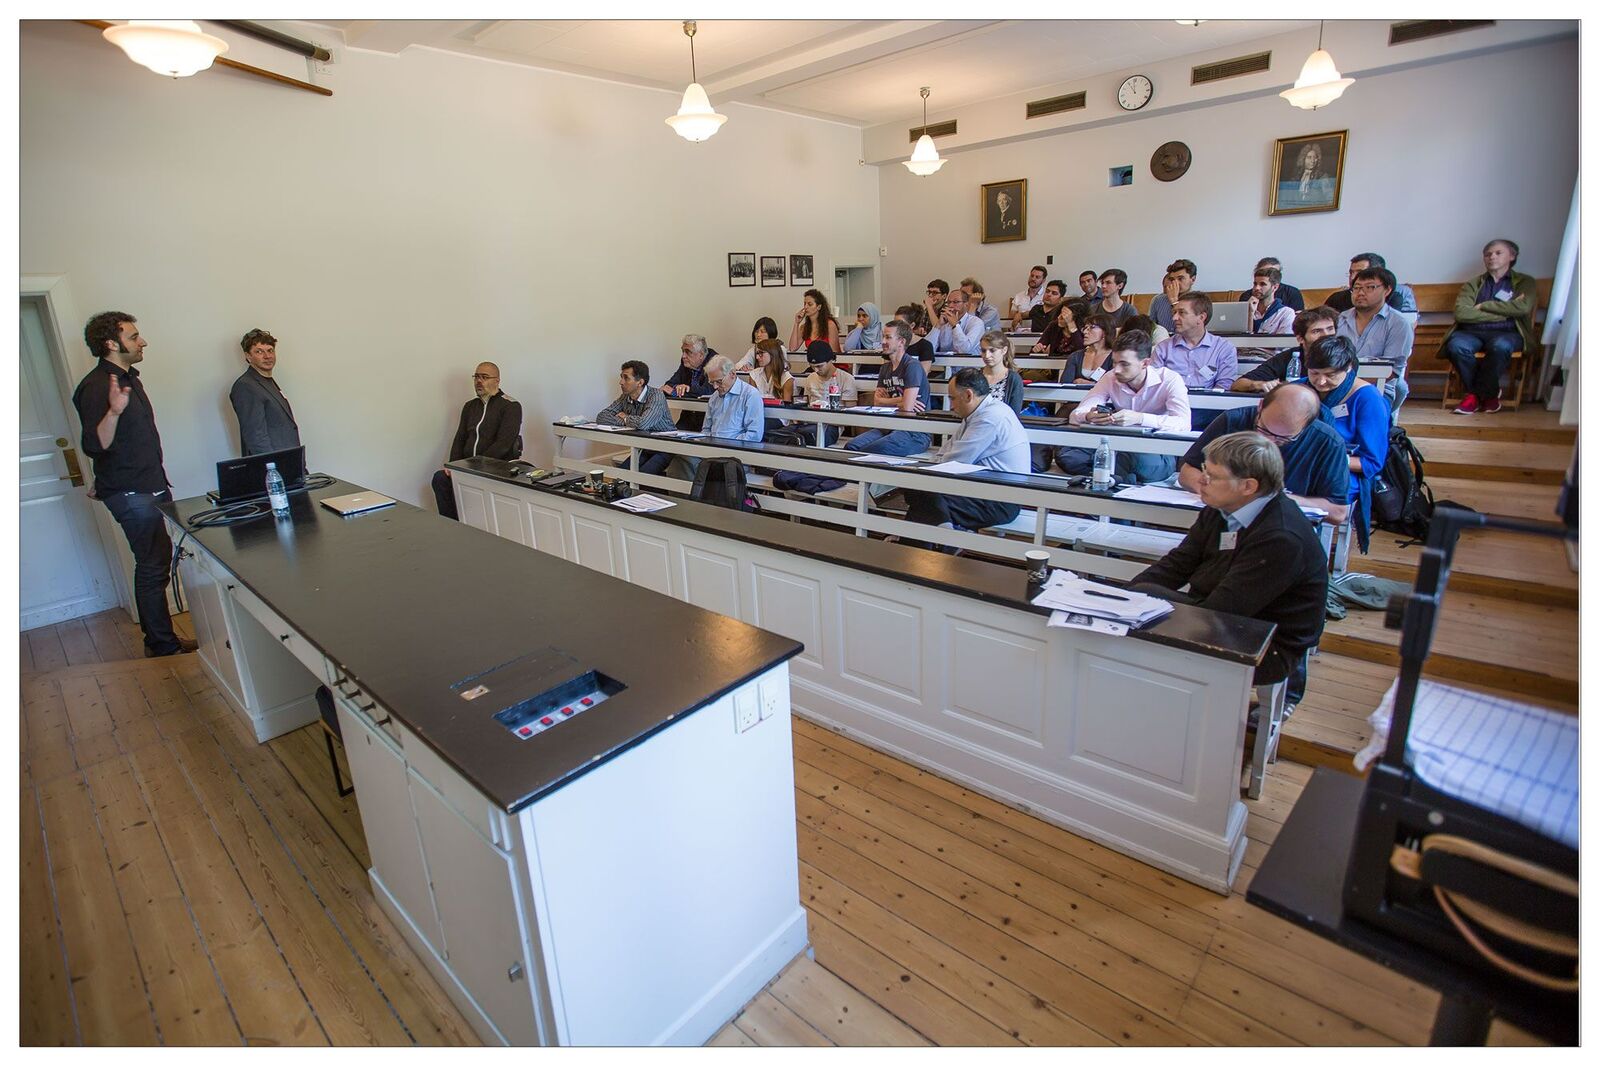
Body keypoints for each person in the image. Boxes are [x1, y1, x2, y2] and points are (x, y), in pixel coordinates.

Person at [1132, 432, 1328, 694]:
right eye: (1204, 470)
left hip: (1266, 643)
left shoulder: (1281, 538)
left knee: (1140, 634)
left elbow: (1223, 611)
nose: (1202, 480)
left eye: (1213, 476)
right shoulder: (1222, 506)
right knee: (1138, 602)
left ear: (1248, 486)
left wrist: (1140, 600)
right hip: (1222, 615)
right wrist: (1125, 599)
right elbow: (1178, 564)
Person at [72, 311, 195, 657]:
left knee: (157, 560)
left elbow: (124, 442)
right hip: (133, 491)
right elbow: (95, 444)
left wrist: (102, 477)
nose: (143, 342)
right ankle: (161, 644)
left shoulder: (128, 378)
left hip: (146, 483)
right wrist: (113, 412)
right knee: (153, 564)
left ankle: (161, 639)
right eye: (134, 336)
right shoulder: (98, 386)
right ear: (111, 343)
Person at [1177, 383, 1350, 523]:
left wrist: (1274, 499)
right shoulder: (1232, 420)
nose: (1270, 441)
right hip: (1224, 514)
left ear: (1306, 425)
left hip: (1285, 523)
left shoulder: (1328, 442)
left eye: (1283, 438)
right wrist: (1219, 493)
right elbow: (1187, 472)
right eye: (1264, 430)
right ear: (1260, 406)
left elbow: (1338, 511)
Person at [901, 368, 1030, 546]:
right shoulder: (978, 413)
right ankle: (942, 539)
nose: (951, 405)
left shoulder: (990, 417)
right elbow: (946, 451)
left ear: (968, 395)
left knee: (922, 495)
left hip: (999, 501)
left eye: (952, 398)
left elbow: (955, 462)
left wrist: (922, 474)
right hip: (982, 490)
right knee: (920, 492)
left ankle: (938, 543)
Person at [1058, 329, 1189, 483]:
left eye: (1124, 364)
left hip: (1154, 449)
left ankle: (1113, 474)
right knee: (1066, 456)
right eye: (1114, 362)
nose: (1117, 370)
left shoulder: (1170, 379)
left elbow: (1183, 424)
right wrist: (1088, 416)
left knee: (1139, 462)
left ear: (1145, 363)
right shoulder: (1110, 377)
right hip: (1116, 443)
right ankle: (1120, 476)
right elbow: (1077, 413)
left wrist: (1140, 418)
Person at [1305, 335, 1388, 553]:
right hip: (1303, 463)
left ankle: (1307, 553)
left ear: (1349, 367)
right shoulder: (1302, 389)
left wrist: (1328, 459)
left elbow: (1371, 462)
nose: (1321, 382)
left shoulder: (1367, 398)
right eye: (1314, 373)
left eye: (1330, 375)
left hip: (1342, 470)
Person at [1443, 238, 1538, 414]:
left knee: (1500, 346)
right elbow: (1462, 313)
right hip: (1471, 332)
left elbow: (1522, 308)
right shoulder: (1473, 284)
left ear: (1512, 256)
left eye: (1498, 253)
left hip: (1507, 332)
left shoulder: (1525, 282)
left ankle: (1474, 396)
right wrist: (1504, 313)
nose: (1492, 257)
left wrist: (1483, 306)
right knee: (1456, 346)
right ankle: (1489, 395)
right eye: (1488, 254)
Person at [432, 362, 522, 520]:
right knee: (440, 479)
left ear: (497, 381)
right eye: (476, 377)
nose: (479, 381)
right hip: (468, 468)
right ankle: (453, 525)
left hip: (496, 468)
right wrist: (453, 466)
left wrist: (475, 466)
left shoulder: (510, 406)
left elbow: (503, 444)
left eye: (485, 377)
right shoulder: (470, 406)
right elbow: (460, 438)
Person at [844, 321, 932, 457]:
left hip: (914, 432)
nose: (883, 341)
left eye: (888, 337)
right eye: (883, 337)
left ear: (901, 342)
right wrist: (901, 400)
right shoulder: (885, 368)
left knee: (871, 450)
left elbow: (907, 408)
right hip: (888, 426)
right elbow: (877, 403)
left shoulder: (912, 366)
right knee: (851, 446)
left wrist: (890, 401)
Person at [671, 354, 763, 483]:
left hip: (736, 455)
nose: (714, 387)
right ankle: (691, 494)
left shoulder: (750, 395)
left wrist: (725, 445)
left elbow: (754, 435)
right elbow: (706, 430)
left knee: (692, 466)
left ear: (732, 374)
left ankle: (698, 493)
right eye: (711, 382)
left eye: (719, 381)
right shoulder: (714, 397)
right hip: (712, 451)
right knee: (680, 458)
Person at [1336, 266, 1414, 413]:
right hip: (1336, 386)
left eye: (1370, 287)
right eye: (1357, 288)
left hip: (1378, 390)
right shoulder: (1340, 319)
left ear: (1387, 290)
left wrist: (1347, 383)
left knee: (1363, 409)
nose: (1360, 293)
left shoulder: (1399, 324)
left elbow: (1391, 372)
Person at [1152, 293, 1239, 417]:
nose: (1174, 318)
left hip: (1208, 410)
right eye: (1174, 312)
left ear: (1201, 317)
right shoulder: (1163, 348)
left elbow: (1224, 386)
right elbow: (1154, 383)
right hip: (1169, 410)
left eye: (1182, 313)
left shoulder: (1223, 348)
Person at [228, 328, 300, 456]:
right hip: (273, 464)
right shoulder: (246, 386)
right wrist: (274, 465)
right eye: (259, 351)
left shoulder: (267, 382)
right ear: (248, 356)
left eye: (270, 350)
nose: (267, 356)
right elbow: (256, 435)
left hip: (288, 458)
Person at [1233, 306, 1339, 393]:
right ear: (1300, 338)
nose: (1326, 335)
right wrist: (1260, 385)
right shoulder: (1289, 358)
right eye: (1317, 331)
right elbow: (1239, 384)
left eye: (1330, 329)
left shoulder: (1343, 355)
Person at [596, 359, 675, 475]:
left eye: (626, 378)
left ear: (640, 382)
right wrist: (625, 420)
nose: (621, 382)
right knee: (621, 475)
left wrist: (626, 418)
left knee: (642, 475)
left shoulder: (656, 396)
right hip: (644, 446)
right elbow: (602, 417)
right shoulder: (625, 397)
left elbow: (644, 423)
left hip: (666, 446)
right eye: (621, 377)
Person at [797, 340, 858, 446]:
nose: (816, 370)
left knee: (807, 436)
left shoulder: (846, 378)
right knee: (785, 434)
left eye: (819, 366)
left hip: (832, 425)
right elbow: (806, 403)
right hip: (810, 422)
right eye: (812, 366)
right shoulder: (810, 378)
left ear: (831, 360)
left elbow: (851, 413)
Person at [1326, 252, 1408, 314]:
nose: (1353, 277)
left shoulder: (1392, 297)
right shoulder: (1336, 299)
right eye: (1351, 273)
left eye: (1359, 272)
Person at [1060, 312, 1118, 384]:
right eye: (1085, 328)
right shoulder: (1075, 356)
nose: (1085, 332)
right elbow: (1065, 384)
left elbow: (1114, 385)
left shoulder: (1115, 357)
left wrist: (1086, 383)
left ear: (1105, 331)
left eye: (1092, 327)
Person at [927, 286, 985, 355]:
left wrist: (955, 325)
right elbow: (927, 349)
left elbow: (964, 350)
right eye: (949, 302)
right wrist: (938, 325)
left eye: (956, 302)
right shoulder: (944, 323)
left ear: (966, 304)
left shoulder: (976, 322)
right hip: (944, 361)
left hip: (969, 362)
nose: (951, 305)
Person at [977, 330, 1025, 412]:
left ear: (1004, 350)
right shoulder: (975, 376)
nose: (987, 356)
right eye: (983, 351)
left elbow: (1014, 414)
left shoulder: (1014, 379)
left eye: (992, 350)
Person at [1148, 258, 1196, 332]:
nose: (1175, 283)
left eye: (1180, 279)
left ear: (1192, 279)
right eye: (1172, 279)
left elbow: (1192, 329)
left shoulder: (1198, 301)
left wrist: (1174, 301)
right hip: (1162, 339)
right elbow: (1150, 328)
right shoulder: (1158, 300)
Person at [1246, 266, 1296, 335]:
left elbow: (1284, 341)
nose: (1257, 288)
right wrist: (1250, 313)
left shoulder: (1286, 313)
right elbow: (1241, 338)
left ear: (1275, 287)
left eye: (1262, 284)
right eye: (1255, 284)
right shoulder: (1246, 310)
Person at [789, 288, 842, 353]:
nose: (805, 307)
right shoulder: (804, 327)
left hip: (829, 359)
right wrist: (796, 323)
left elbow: (835, 352)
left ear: (819, 307)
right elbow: (792, 348)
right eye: (805, 304)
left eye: (810, 304)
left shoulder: (830, 325)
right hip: (813, 359)